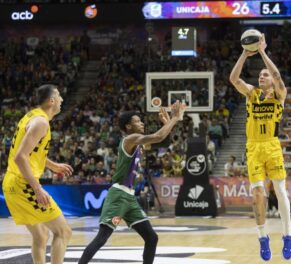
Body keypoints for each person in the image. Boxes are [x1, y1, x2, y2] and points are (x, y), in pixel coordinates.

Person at [79, 101, 186, 264]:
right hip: (118, 197)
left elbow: (162, 142)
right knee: (102, 238)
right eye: (137, 121)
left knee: (151, 237)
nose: (142, 122)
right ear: (128, 127)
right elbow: (158, 136)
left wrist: (167, 123)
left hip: (129, 198)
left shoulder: (138, 143)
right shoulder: (131, 139)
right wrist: (175, 118)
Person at [230, 33, 291, 261]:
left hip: (272, 146)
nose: (262, 76)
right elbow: (234, 79)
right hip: (253, 147)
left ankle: (287, 236)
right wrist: (245, 55)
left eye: (265, 75)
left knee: (280, 190)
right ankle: (263, 238)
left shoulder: (279, 95)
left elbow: (277, 75)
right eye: (260, 75)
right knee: (258, 194)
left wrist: (263, 52)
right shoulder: (251, 94)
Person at [2, 84, 74, 264]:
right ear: (51, 101)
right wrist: (38, 189)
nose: (62, 100)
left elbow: (29, 152)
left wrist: (52, 165)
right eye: (59, 96)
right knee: (63, 232)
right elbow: (20, 157)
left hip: (11, 182)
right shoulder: (41, 122)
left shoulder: (31, 116)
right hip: (23, 184)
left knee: (41, 235)